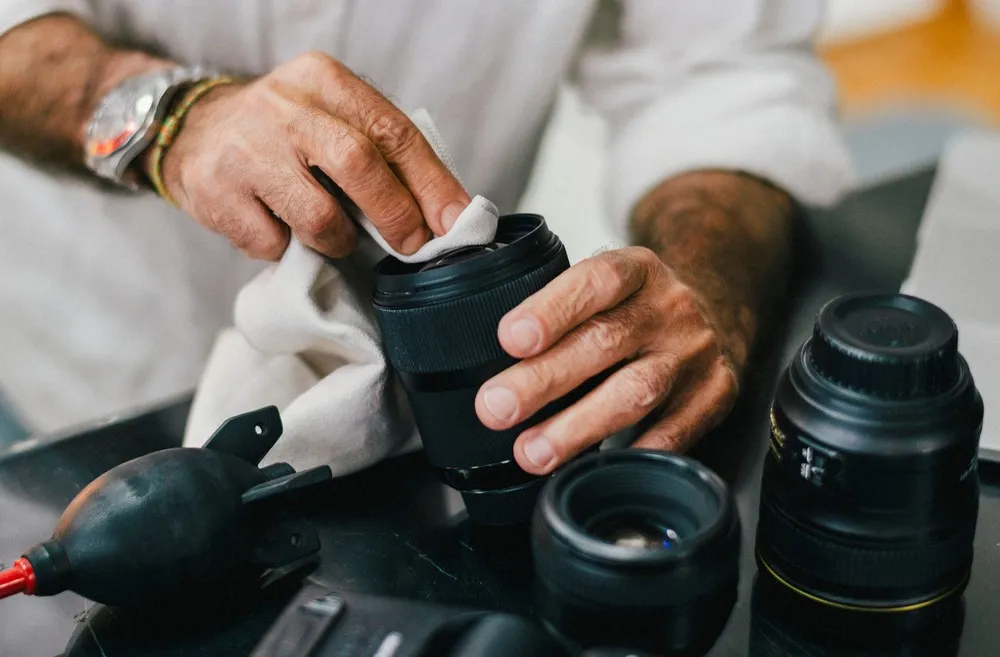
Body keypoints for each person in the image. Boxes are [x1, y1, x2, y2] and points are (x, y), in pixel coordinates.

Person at [0, 1, 851, 472]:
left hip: (439, 420)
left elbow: (721, 75)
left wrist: (705, 283)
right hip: (80, 382)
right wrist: (161, 116)